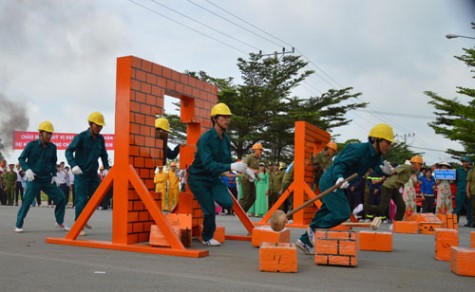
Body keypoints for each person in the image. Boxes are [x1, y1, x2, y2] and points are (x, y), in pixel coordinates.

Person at [296, 123, 394, 255]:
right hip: (332, 181)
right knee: (342, 213)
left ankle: (304, 241)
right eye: (387, 142)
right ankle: (314, 231)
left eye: (390, 143)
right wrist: (339, 177)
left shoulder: (376, 156)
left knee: (325, 212)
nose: (389, 146)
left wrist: (386, 173)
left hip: (342, 183)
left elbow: (378, 169)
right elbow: (339, 163)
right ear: (376, 140)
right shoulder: (358, 149)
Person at [188, 103, 252, 246]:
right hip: (198, 179)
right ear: (215, 119)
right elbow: (209, 164)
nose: (227, 120)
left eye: (228, 117)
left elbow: (227, 160)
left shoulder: (226, 139)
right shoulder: (205, 139)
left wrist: (244, 168)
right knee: (210, 210)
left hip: (213, 178)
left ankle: (209, 201)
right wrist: (229, 166)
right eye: (224, 117)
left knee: (228, 202)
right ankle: (207, 237)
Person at [15, 121, 69, 233]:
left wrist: (54, 176)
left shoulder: (53, 147)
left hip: (46, 179)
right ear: (40, 133)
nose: (49, 136)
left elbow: (54, 162)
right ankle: (18, 224)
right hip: (33, 179)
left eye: (51, 134)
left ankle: (59, 222)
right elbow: (21, 159)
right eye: (47, 133)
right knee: (27, 201)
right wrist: (27, 169)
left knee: (61, 198)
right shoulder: (31, 145)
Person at [66, 112, 110, 236]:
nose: (100, 128)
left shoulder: (101, 139)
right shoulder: (81, 137)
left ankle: (83, 219)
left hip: (93, 173)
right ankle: (79, 225)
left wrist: (106, 167)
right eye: (97, 125)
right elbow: (68, 151)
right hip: (81, 173)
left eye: (101, 126)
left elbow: (104, 155)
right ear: (90, 124)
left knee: (96, 197)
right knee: (80, 199)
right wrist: (73, 165)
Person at [364, 156, 423, 222]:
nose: (420, 166)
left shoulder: (411, 172)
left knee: (402, 206)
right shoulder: (407, 166)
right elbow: (394, 172)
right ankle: (365, 207)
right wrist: (382, 177)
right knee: (382, 208)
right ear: (415, 163)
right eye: (420, 164)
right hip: (388, 187)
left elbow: (402, 182)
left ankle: (397, 222)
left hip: (394, 188)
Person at [239, 142, 263, 212]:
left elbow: (255, 171)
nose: (261, 151)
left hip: (251, 179)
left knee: (253, 197)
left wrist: (258, 177)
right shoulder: (249, 157)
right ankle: (238, 211)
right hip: (245, 179)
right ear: (255, 150)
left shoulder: (257, 159)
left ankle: (243, 211)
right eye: (260, 150)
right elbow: (243, 166)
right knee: (246, 197)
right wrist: (254, 170)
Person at [454, 156, 471, 227]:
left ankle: (470, 222)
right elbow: (455, 180)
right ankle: (455, 222)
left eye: (466, 162)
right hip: (460, 191)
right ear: (462, 162)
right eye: (464, 162)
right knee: (458, 207)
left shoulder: (471, 170)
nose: (465, 163)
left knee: (469, 207)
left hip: (469, 191)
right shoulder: (458, 170)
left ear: (468, 162)